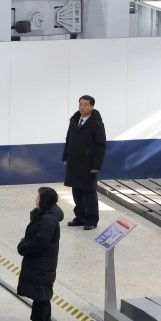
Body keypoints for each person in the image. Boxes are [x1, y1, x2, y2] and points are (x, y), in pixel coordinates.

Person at [17, 187, 63, 321]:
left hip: (42, 262)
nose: (36, 200)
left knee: (40, 291)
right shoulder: (44, 215)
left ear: (45, 201)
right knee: (42, 291)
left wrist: (23, 246)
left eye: (38, 198)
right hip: (43, 261)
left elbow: (40, 241)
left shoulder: (48, 219)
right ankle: (46, 320)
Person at [62, 95, 106, 231]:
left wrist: (96, 165)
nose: (82, 107)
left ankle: (91, 220)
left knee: (89, 193)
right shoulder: (74, 120)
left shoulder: (97, 124)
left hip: (88, 165)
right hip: (74, 163)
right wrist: (65, 156)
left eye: (85, 105)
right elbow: (68, 139)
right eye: (80, 104)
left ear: (92, 106)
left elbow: (101, 145)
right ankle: (80, 217)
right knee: (76, 191)